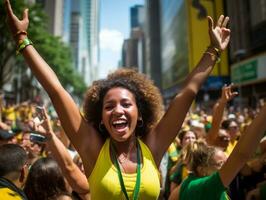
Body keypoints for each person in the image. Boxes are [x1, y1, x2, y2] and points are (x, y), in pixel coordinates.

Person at [5, 0, 230, 199]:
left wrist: (213, 51)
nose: (118, 110)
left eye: (126, 104)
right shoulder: (92, 149)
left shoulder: (153, 146)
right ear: (101, 119)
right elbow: (56, 91)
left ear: (140, 114)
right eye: (109, 106)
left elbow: (187, 93)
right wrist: (22, 40)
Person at [169, 101, 266, 200]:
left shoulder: (186, 184)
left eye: (226, 162)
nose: (227, 166)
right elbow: (241, 155)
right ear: (202, 170)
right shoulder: (206, 186)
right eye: (221, 164)